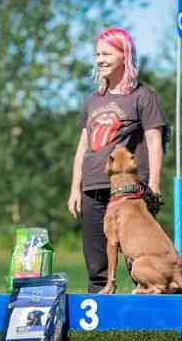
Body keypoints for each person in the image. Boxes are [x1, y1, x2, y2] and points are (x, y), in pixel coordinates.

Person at [67, 28, 168, 293]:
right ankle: (99, 321)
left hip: (128, 190)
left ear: (125, 56)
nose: (100, 59)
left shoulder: (143, 96)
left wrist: (154, 184)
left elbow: (155, 142)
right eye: (97, 54)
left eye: (107, 53)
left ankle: (147, 316)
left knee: (135, 256)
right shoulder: (93, 100)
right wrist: (75, 187)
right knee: (96, 259)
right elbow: (83, 146)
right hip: (92, 186)